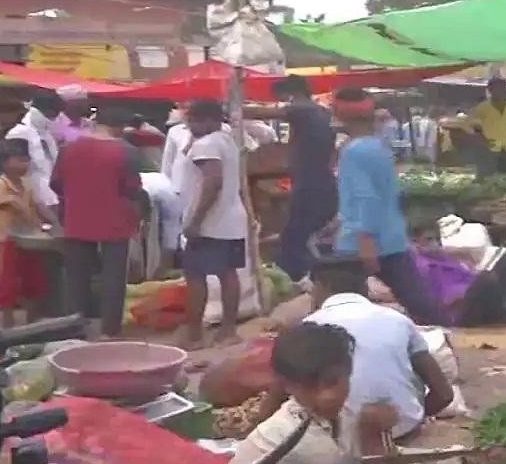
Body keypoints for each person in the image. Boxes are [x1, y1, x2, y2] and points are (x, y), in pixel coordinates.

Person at [253, 259, 453, 440]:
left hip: (337, 440)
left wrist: (257, 432)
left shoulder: (308, 329)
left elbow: (277, 394)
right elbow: (444, 394)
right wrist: (411, 419)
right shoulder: (399, 320)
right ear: (365, 288)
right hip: (401, 431)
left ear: (320, 287)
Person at [225, 322, 411, 464]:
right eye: (309, 387)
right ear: (287, 386)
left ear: (349, 371)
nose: (326, 397)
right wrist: (370, 440)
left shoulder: (345, 414)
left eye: (333, 382)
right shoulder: (289, 434)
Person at [332, 88, 445, 325]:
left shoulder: (353, 152)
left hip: (361, 243)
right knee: (419, 303)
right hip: (392, 236)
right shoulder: (379, 147)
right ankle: (439, 332)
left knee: (343, 307)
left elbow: (366, 198)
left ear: (342, 115)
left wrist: (365, 241)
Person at [51, 107, 143, 338]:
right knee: (113, 276)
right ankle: (110, 331)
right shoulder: (127, 151)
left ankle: (75, 330)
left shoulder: (68, 148)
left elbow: (56, 183)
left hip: (77, 218)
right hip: (115, 220)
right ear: (120, 127)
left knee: (76, 277)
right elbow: (132, 189)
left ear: (94, 122)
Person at [243, 75, 337, 282]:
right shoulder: (320, 111)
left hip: (311, 184)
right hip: (321, 181)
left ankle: (304, 277)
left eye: (282, 97)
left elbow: (262, 112)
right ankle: (311, 274)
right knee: (303, 235)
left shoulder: (303, 109)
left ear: (291, 93)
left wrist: (232, 108)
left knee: (294, 238)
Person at [176, 100, 248, 348]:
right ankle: (228, 332)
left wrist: (196, 220)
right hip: (230, 221)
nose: (189, 126)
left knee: (195, 277)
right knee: (228, 273)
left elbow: (213, 183)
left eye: (192, 121)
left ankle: (194, 336)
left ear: (207, 120)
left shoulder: (207, 145)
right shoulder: (226, 141)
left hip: (210, 223)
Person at [0, 140, 53, 327]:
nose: (25, 164)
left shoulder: (27, 184)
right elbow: (15, 206)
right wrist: (39, 223)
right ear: (5, 163)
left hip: (29, 241)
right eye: (20, 160)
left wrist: (54, 222)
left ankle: (32, 321)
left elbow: (39, 206)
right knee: (8, 284)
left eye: (26, 160)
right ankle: (8, 323)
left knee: (34, 282)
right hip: (6, 241)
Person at [6, 94, 62, 214]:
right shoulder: (18, 133)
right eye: (51, 114)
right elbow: (12, 170)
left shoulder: (47, 134)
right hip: (30, 199)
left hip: (51, 196)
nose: (53, 118)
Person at [469, 77, 506, 174]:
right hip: (489, 150)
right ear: (490, 90)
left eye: (501, 88)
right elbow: (473, 128)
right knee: (488, 175)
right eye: (495, 88)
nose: (499, 91)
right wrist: (483, 141)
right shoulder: (482, 108)